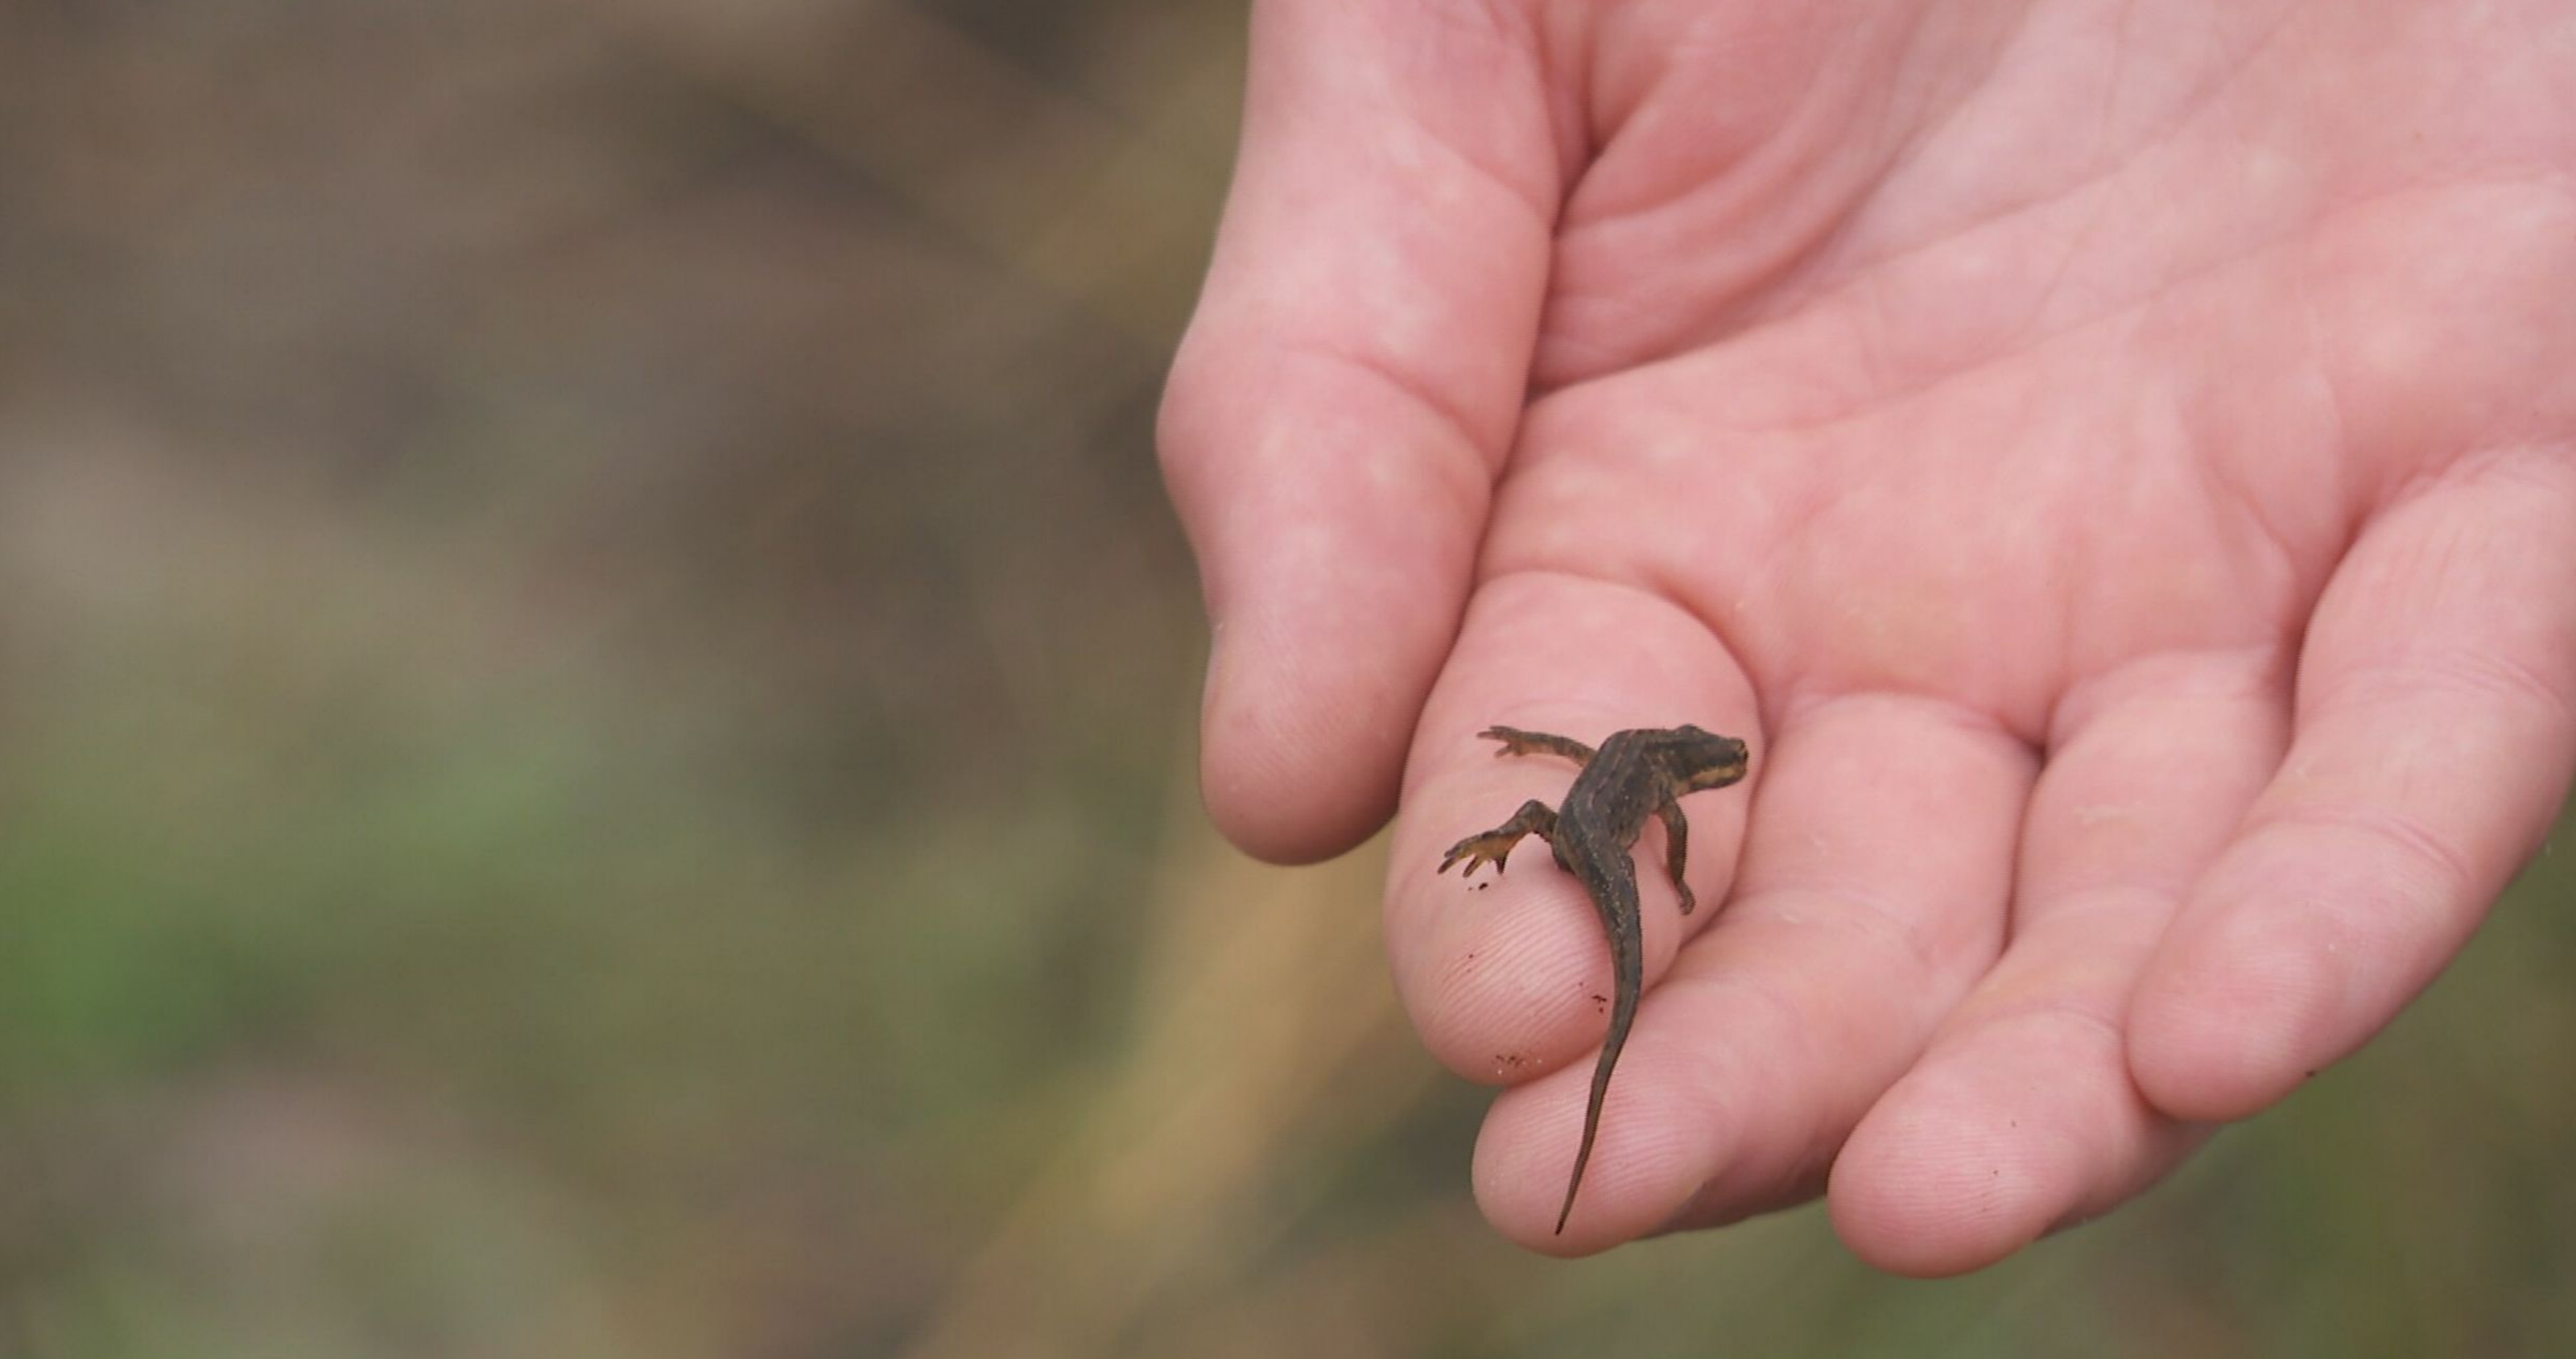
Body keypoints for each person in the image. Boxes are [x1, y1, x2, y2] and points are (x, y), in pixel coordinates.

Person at [1155, 0, 2576, 1273]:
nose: (1709, 781)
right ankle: (1525, 920)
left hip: (1570, 819)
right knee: (1557, 895)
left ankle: (1512, 891)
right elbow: (1633, 809)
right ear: (1688, 773)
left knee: (1549, 849)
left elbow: (1585, 775)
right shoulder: (1650, 801)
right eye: (1708, 774)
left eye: (1709, 774)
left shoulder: (1631, 773)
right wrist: (1658, 861)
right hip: (1579, 831)